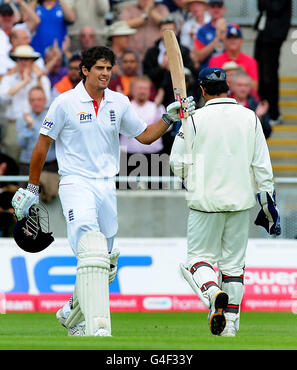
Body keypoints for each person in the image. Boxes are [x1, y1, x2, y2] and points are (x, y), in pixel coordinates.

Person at [11, 45, 195, 337]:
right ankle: (90, 327)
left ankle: (72, 308)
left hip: (106, 185)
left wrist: (168, 119)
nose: (105, 73)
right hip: (74, 181)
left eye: (109, 68)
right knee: (91, 248)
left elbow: (145, 137)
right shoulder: (65, 102)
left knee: (104, 259)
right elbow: (42, 146)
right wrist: (32, 187)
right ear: (85, 70)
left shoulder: (119, 102)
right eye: (99, 68)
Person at [170, 67, 280, 337]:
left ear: (203, 90)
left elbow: (175, 163)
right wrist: (268, 207)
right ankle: (229, 326)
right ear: (227, 89)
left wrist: (191, 177)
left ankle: (212, 293)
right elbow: (262, 167)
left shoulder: (193, 120)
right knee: (233, 267)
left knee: (196, 261)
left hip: (205, 203)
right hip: (241, 203)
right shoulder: (250, 118)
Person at [143, 15, 196, 153]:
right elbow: (147, 75)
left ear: (176, 32)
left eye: (170, 30)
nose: (166, 33)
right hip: (158, 99)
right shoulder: (152, 52)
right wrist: (162, 67)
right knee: (163, 133)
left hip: (178, 95)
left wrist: (173, 68)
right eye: (164, 30)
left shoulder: (183, 51)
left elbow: (191, 75)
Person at [0, 45, 51, 162]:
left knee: (36, 156)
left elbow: (46, 101)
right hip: (14, 123)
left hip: (37, 120)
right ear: (16, 61)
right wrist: (24, 82)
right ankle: (14, 180)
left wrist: (36, 79)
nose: (23, 62)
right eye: (20, 59)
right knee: (12, 152)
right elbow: (2, 98)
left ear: (32, 61)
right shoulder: (9, 78)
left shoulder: (41, 79)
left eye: (27, 59)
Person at [119, 75, 166, 189]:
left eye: (145, 88)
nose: (142, 91)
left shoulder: (157, 107)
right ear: (132, 90)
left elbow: (167, 129)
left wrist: (158, 108)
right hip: (128, 159)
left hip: (154, 159)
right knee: (126, 192)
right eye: (140, 88)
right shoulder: (125, 107)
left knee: (155, 193)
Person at [16, 86, 59, 203]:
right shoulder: (22, 119)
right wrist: (29, 127)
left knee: (53, 203)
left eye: (39, 99)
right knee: (25, 202)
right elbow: (21, 144)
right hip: (27, 166)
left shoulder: (53, 116)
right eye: (33, 100)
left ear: (45, 101)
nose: (36, 103)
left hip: (50, 166)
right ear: (29, 102)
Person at [254, 0, 292, 126]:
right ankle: (263, 109)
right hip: (263, 33)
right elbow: (261, 7)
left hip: (273, 36)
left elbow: (275, 8)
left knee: (269, 75)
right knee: (260, 73)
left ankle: (273, 113)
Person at [209, 24, 259, 94]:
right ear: (224, 41)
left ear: (241, 41)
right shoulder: (215, 60)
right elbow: (211, 86)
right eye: (229, 38)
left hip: (244, 101)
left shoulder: (250, 61)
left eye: (236, 37)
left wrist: (241, 74)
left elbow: (255, 88)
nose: (233, 40)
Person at [229, 71, 272, 139]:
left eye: (246, 85)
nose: (243, 88)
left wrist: (259, 117)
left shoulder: (257, 105)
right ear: (232, 86)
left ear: (250, 87)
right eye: (239, 85)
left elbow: (267, 134)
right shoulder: (223, 103)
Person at [193, 0, 227, 69]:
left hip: (227, 71)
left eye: (219, 6)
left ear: (224, 9)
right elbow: (200, 57)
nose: (216, 9)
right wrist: (217, 38)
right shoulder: (202, 30)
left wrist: (224, 37)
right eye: (213, 6)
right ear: (208, 9)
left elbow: (236, 54)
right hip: (208, 72)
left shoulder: (232, 27)